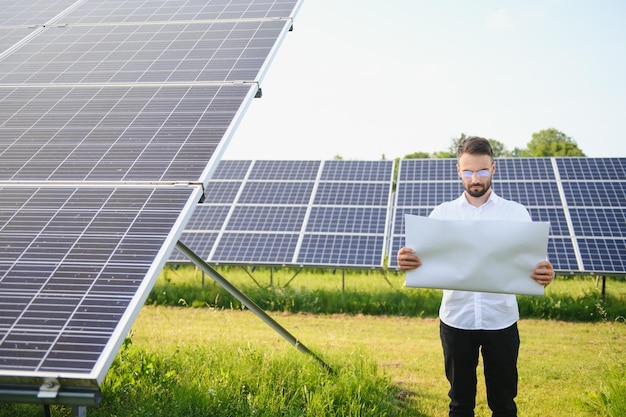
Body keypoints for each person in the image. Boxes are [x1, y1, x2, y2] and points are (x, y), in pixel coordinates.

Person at [397, 136, 555, 417]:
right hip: (456, 319)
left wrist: (545, 274)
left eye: (482, 171)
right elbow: (423, 262)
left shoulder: (516, 214)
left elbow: (535, 266)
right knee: (460, 403)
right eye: (468, 171)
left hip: (501, 319)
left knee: (504, 404)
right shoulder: (441, 215)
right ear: (459, 171)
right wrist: (407, 262)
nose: (475, 179)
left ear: (493, 169)